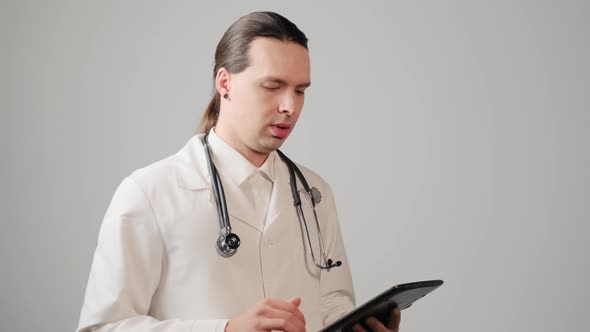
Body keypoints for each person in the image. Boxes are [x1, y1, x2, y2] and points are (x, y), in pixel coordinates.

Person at [76, 11, 400, 332]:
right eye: (273, 86)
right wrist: (226, 330)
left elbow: (331, 303)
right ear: (224, 83)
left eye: (300, 90)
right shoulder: (150, 193)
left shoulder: (314, 194)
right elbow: (103, 327)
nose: (290, 106)